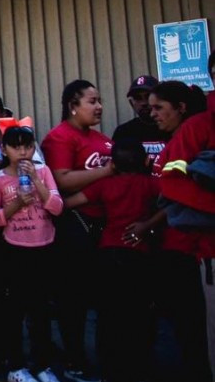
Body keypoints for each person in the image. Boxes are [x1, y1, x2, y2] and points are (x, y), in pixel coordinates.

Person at [64, 140, 159, 382]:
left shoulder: (104, 185)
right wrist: (148, 224)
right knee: (139, 314)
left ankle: (110, 371)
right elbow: (173, 201)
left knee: (108, 315)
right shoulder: (150, 184)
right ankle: (139, 370)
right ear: (146, 161)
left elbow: (68, 203)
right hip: (139, 254)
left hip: (108, 254)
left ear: (113, 164)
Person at [40, 79, 113, 382]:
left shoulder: (102, 139)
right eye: (92, 101)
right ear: (73, 105)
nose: (99, 107)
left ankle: (109, 361)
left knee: (107, 299)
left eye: (99, 101)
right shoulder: (59, 137)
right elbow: (61, 179)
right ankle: (75, 361)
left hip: (106, 227)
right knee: (73, 301)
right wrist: (107, 171)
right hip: (75, 227)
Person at [0, 125, 63, 382]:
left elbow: (57, 207)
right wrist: (16, 204)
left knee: (41, 312)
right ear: (4, 149)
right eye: (15, 147)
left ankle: (42, 365)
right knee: (14, 311)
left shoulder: (44, 171)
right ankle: (16, 366)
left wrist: (37, 181)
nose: (22, 152)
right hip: (14, 250)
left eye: (27, 146)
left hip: (44, 246)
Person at [148, 81, 213, 382]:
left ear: (181, 108)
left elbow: (175, 187)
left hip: (194, 250)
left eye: (159, 107)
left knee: (196, 330)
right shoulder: (181, 137)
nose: (153, 114)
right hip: (176, 248)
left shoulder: (193, 133)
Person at [112, 75, 170, 165]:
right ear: (131, 103)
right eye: (138, 98)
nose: (143, 103)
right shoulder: (123, 132)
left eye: (148, 96)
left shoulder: (172, 128)